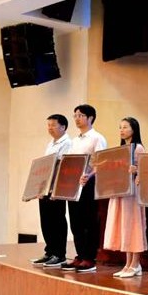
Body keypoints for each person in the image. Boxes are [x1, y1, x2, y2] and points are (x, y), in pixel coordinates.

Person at [61, 104, 107, 273]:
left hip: (89, 184)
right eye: (75, 115)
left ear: (90, 118)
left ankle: (89, 258)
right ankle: (80, 255)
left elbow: (102, 163)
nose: (77, 119)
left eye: (80, 115)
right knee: (76, 222)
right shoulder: (74, 140)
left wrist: (90, 175)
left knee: (89, 221)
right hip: (74, 185)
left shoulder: (97, 138)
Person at [101, 117, 147, 278]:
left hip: (133, 193)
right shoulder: (122, 149)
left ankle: (136, 264)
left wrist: (137, 170)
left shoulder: (138, 148)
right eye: (120, 127)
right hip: (120, 191)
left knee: (133, 225)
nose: (122, 130)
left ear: (134, 129)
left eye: (125, 127)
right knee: (124, 226)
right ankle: (128, 264)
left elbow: (146, 170)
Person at [31, 114, 72, 268]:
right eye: (48, 125)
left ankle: (59, 254)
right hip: (46, 187)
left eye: (53, 125)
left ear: (63, 127)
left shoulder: (67, 143)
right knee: (46, 220)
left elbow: (62, 166)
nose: (50, 128)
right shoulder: (51, 143)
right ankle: (49, 251)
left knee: (57, 220)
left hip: (57, 187)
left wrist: (55, 188)